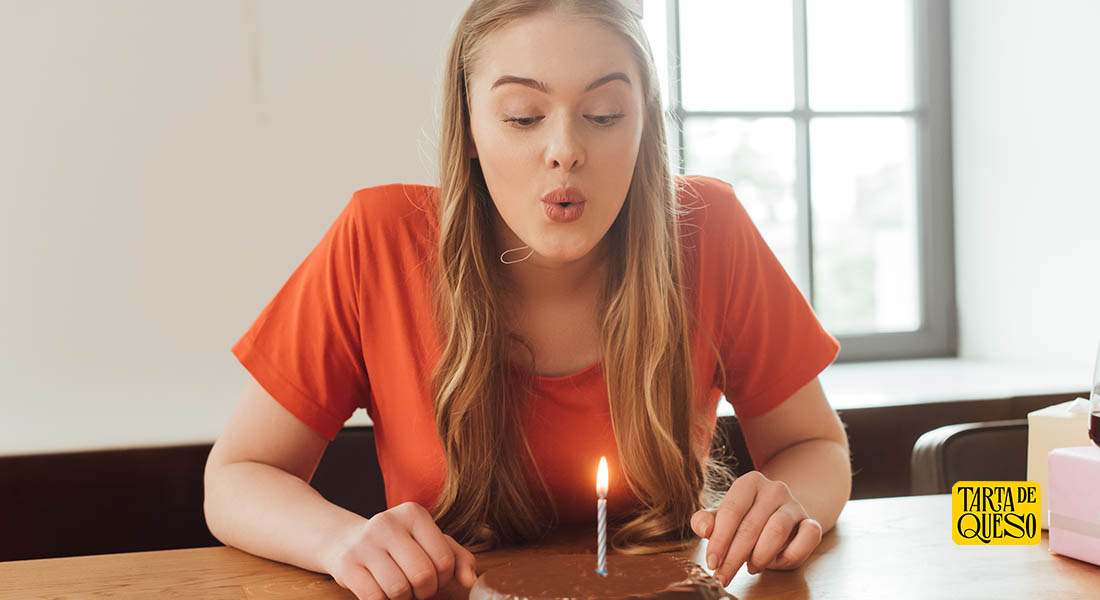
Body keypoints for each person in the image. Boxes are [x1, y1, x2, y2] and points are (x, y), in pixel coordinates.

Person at [203, 1, 852, 599]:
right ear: (471, 122)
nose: (565, 151)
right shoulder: (378, 240)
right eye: (522, 116)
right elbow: (238, 476)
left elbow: (817, 447)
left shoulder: (710, 228)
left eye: (604, 116)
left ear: (645, 121)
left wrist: (788, 501)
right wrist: (340, 540)